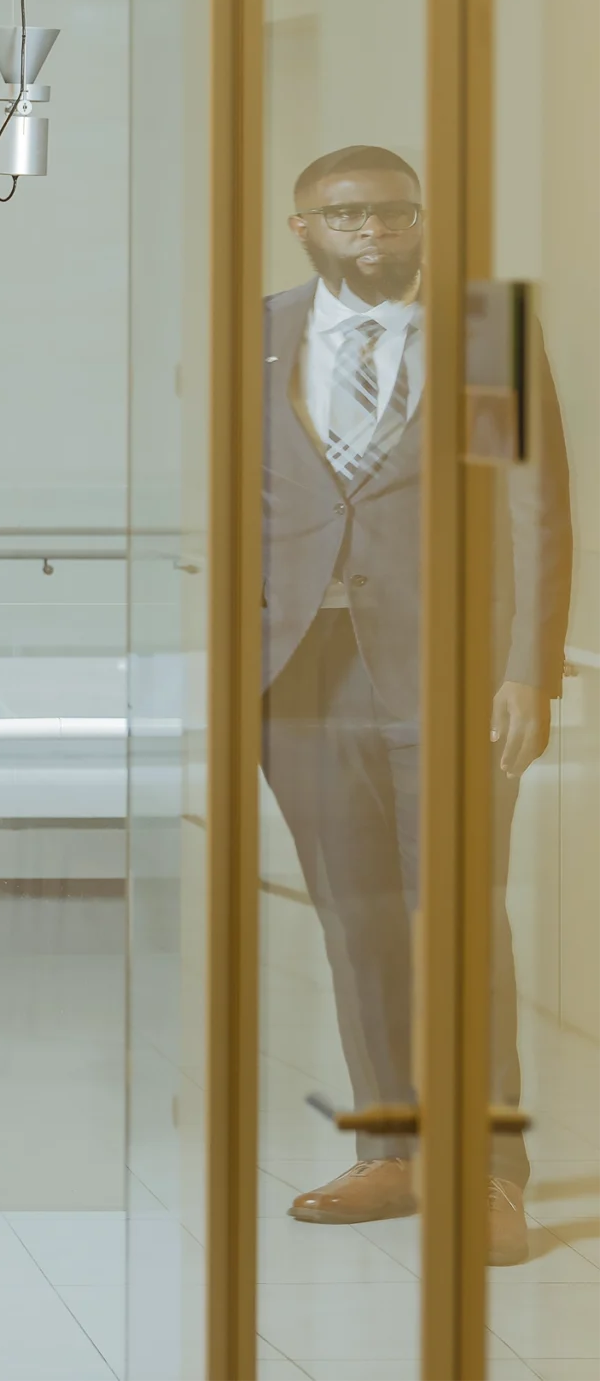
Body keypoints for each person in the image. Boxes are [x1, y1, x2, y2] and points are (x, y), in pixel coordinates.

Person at [261, 144, 572, 1266]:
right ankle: (391, 1146)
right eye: (346, 215)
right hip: (298, 673)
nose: (375, 231)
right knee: (353, 920)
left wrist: (526, 668)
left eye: (394, 211)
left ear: (421, 221)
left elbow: (534, 505)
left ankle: (490, 1173)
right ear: (302, 225)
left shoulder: (482, 327)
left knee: (460, 921)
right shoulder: (263, 334)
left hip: (447, 673)